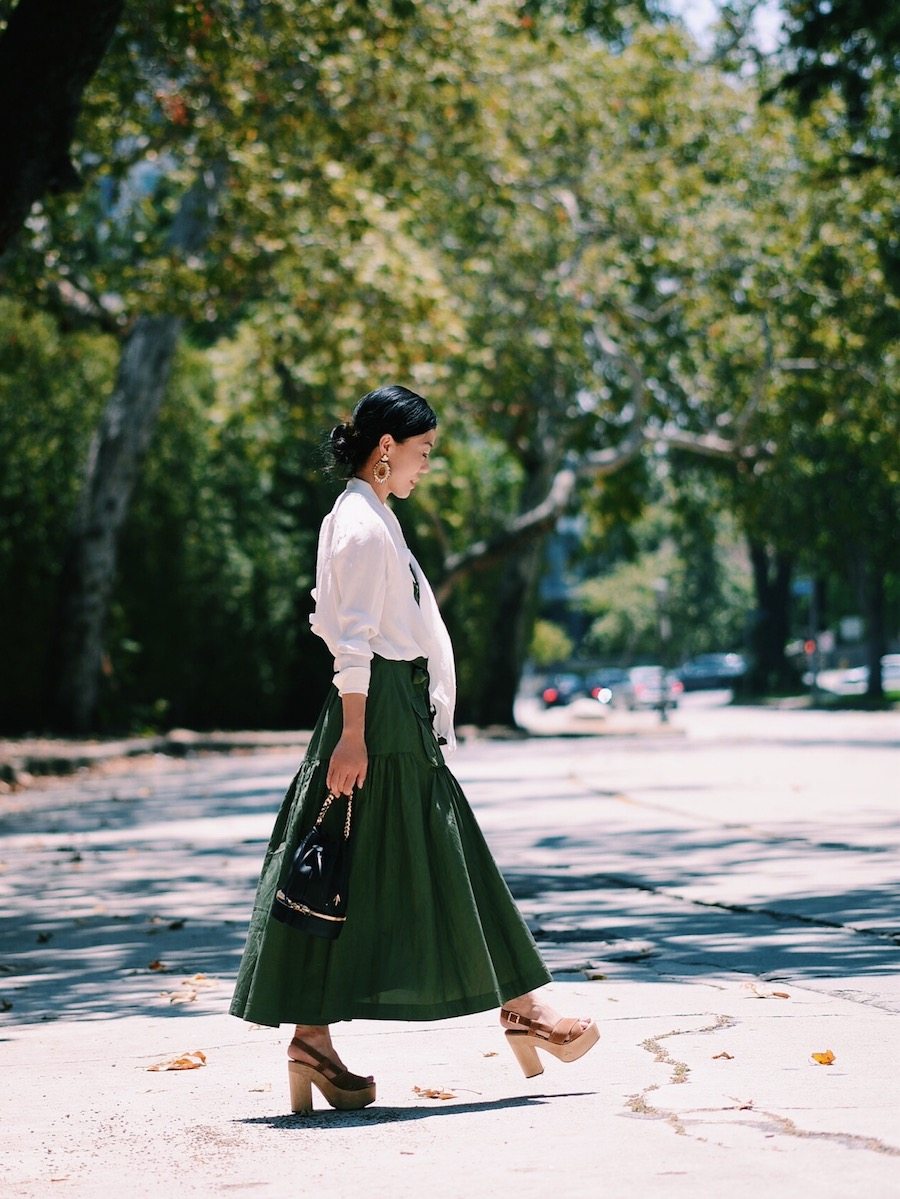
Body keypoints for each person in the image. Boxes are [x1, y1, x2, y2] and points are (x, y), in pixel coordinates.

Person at [230, 384, 598, 1112]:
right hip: (380, 715)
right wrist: (358, 734)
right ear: (386, 448)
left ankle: (313, 1037)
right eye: (423, 451)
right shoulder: (364, 525)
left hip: (387, 712)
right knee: (420, 855)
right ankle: (524, 1005)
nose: (428, 464)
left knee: (347, 866)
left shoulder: (367, 515)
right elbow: (353, 641)